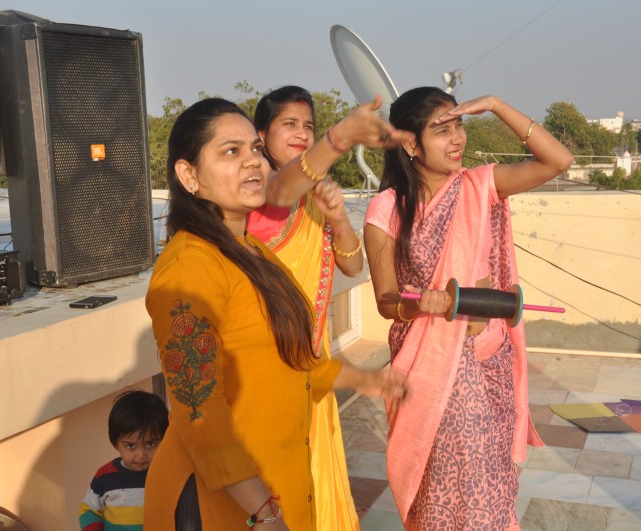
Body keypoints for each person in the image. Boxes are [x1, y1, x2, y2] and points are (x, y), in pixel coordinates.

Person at [143, 97, 411, 530]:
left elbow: (285, 362)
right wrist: (263, 512)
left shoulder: (252, 251)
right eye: (230, 152)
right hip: (225, 503)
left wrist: (362, 379)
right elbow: (197, 410)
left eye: (253, 148)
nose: (251, 162)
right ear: (189, 175)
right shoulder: (189, 267)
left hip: (276, 483)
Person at [363, 87, 573, 530]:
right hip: (428, 368)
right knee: (444, 483)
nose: (456, 139)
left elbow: (558, 161)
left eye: (458, 125)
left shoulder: (480, 186)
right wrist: (422, 304)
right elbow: (386, 300)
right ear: (411, 144)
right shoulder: (387, 208)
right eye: (441, 129)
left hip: (486, 359)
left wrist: (497, 105)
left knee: (490, 479)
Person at [246, 86, 362, 530]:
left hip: (313, 358)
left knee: (316, 469)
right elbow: (281, 191)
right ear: (263, 135)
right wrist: (339, 137)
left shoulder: (315, 191)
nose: (300, 133)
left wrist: (338, 220)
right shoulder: (259, 190)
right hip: (267, 360)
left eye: (308, 126)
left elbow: (352, 265)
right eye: (288, 124)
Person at [79, 389, 169, 531]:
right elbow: (89, 511)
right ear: (116, 444)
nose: (141, 455)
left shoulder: (169, 474)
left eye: (150, 444)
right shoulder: (105, 476)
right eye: (131, 445)